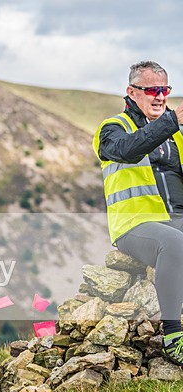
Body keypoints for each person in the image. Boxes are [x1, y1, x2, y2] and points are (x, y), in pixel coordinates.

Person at [93, 60, 183, 363]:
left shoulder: (177, 136)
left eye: (165, 89)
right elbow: (128, 149)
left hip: (177, 218)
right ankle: (173, 336)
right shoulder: (113, 128)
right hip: (136, 224)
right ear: (132, 92)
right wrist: (169, 123)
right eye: (152, 90)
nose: (160, 96)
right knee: (173, 244)